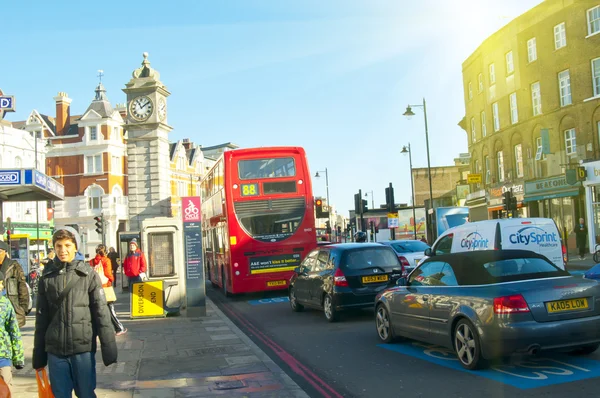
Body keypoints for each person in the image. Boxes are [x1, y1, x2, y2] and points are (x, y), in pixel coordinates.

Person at [33, 229, 117, 398]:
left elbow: (101, 314)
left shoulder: (88, 275)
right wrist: (39, 354)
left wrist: (109, 347)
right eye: (58, 246)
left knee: (85, 394)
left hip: (82, 349)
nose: (63, 250)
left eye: (67, 245)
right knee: (60, 395)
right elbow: (41, 319)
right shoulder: (47, 277)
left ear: (75, 247)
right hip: (56, 351)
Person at [91, 245, 127, 336]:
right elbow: (107, 273)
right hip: (105, 286)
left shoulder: (93, 261)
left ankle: (97, 331)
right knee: (110, 308)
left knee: (97, 309)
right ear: (106, 252)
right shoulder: (106, 260)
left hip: (96, 286)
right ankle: (119, 328)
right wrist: (111, 279)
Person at [0, 270, 24, 396]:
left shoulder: (6, 304)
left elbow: (14, 331)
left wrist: (18, 357)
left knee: (5, 391)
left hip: (3, 357)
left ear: (2, 285)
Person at [0, 241, 28, 328]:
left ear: (5, 252)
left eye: (0, 251)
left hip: (12, 310)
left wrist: (22, 309)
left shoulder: (14, 266)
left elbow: (22, 288)